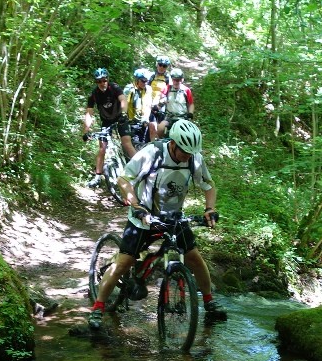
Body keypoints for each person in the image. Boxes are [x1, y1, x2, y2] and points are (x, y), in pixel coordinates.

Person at [87, 118, 227, 330]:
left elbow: (209, 185)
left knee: (194, 259)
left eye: (191, 153)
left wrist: (210, 209)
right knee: (124, 263)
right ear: (173, 143)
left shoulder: (193, 158)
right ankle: (98, 307)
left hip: (173, 218)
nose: (187, 157)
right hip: (143, 217)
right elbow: (124, 179)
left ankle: (209, 302)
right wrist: (136, 205)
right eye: (184, 152)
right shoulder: (153, 153)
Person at [83, 68, 127, 187]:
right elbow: (89, 113)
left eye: (104, 80)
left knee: (126, 143)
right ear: (96, 82)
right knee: (102, 148)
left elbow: (123, 99)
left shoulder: (114, 87)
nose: (102, 83)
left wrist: (124, 114)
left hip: (120, 118)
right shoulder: (94, 94)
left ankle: (139, 169)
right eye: (99, 81)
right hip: (106, 122)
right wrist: (86, 131)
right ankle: (97, 177)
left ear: (108, 79)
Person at [121, 68, 153, 159]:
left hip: (143, 122)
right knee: (132, 146)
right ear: (137, 80)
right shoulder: (129, 89)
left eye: (147, 81)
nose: (145, 83)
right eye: (143, 81)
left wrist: (146, 118)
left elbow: (148, 105)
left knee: (143, 144)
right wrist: (123, 116)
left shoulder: (148, 89)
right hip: (131, 122)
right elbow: (124, 104)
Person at [156, 68, 194, 138]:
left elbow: (191, 104)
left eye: (178, 80)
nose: (176, 82)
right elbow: (160, 98)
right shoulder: (167, 88)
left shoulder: (186, 90)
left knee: (188, 134)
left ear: (182, 80)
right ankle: (161, 142)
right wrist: (161, 102)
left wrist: (190, 113)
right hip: (169, 117)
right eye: (174, 80)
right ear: (172, 79)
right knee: (160, 128)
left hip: (182, 117)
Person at [148, 56, 172, 141]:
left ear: (167, 67)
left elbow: (170, 93)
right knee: (150, 124)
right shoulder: (151, 76)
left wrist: (161, 104)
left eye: (164, 66)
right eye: (160, 65)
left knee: (159, 126)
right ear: (157, 64)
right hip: (149, 103)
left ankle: (159, 143)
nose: (161, 67)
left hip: (162, 105)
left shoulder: (168, 78)